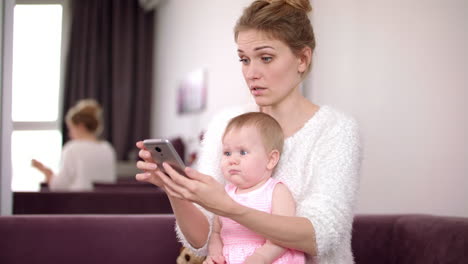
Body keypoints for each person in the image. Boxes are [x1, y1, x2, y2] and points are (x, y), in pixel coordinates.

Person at [136, 0, 361, 263]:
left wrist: (229, 208)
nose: (251, 73)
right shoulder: (225, 123)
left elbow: (320, 236)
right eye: (244, 59)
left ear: (302, 59)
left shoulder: (336, 130)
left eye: (266, 58)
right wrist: (177, 191)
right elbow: (202, 242)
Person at [205, 112, 305, 264]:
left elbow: (285, 235)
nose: (232, 160)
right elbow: (216, 233)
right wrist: (215, 256)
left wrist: (261, 258)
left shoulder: (275, 191)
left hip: (268, 258)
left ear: (271, 159)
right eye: (227, 153)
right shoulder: (225, 194)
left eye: (243, 152)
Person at [32, 99, 116, 191]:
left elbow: (59, 185)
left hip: (78, 202)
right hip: (104, 203)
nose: (69, 134)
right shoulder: (107, 148)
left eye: (71, 128)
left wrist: (47, 173)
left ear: (80, 126)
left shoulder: (72, 148)